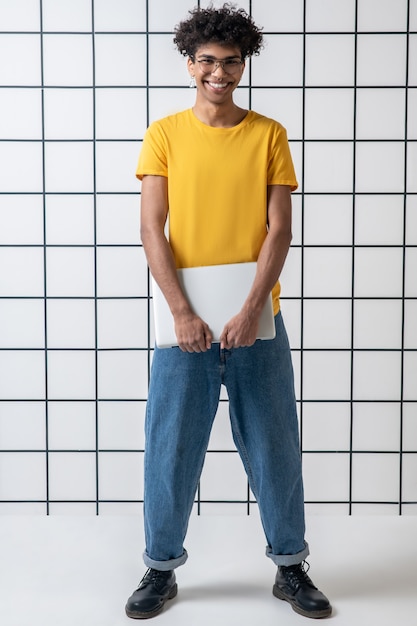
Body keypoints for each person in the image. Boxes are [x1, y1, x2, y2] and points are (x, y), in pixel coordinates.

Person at [125, 3, 332, 620]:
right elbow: (151, 229)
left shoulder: (269, 134)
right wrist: (183, 312)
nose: (219, 71)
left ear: (243, 66)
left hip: (255, 322)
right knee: (170, 447)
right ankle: (159, 570)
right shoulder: (164, 133)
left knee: (274, 446)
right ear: (191, 65)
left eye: (231, 61)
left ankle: (290, 567)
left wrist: (249, 310)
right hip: (183, 322)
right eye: (208, 61)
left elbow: (279, 230)